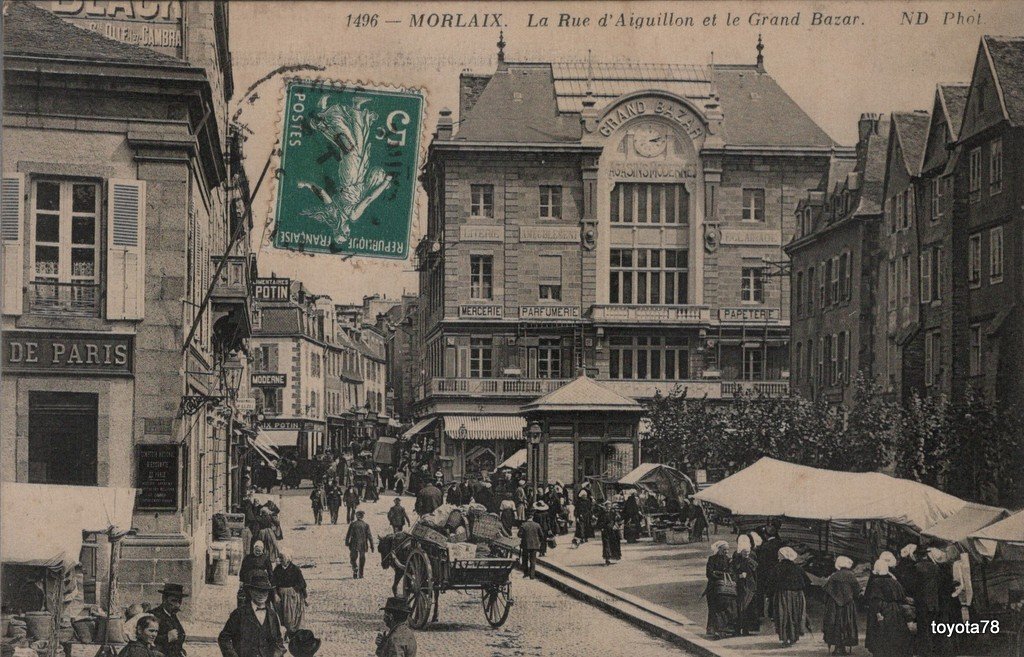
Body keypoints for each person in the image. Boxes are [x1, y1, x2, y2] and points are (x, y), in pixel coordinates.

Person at [218, 571, 286, 657]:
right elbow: (224, 638)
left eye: (264, 591)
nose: (261, 595)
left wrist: (277, 653)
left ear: (268, 593)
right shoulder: (239, 614)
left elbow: (278, 640)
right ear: (250, 591)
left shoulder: (272, 615)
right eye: (257, 591)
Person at [864, 557, 913, 657]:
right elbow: (902, 597)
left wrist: (877, 613)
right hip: (896, 611)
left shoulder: (876, 582)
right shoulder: (895, 582)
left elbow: (875, 600)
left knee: (880, 635)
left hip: (882, 610)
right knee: (894, 634)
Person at [823, 556, 861, 655]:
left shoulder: (834, 576)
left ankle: (837, 647)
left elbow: (827, 591)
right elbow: (857, 591)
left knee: (835, 624)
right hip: (848, 605)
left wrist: (827, 603)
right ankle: (843, 646)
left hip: (834, 605)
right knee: (847, 624)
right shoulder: (851, 576)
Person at [773, 547, 809, 646]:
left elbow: (771, 582)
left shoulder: (778, 567)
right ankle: (794, 637)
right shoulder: (798, 568)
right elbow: (806, 582)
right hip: (797, 595)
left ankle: (785, 638)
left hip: (783, 594)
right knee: (795, 615)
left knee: (784, 616)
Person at [913, 547, 943, 657]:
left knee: (923, 628)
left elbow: (914, 586)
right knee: (932, 627)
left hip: (922, 603)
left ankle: (925, 652)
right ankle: (933, 650)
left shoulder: (917, 567)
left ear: (918, 556)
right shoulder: (935, 568)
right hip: (934, 602)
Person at [705, 540, 736, 639]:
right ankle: (713, 629)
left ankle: (721, 630)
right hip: (712, 588)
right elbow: (709, 573)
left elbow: (731, 573)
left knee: (724, 609)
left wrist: (717, 573)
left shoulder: (729, 560)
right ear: (719, 550)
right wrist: (722, 574)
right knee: (713, 609)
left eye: (727, 550)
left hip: (724, 589)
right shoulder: (712, 559)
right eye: (724, 550)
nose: (726, 552)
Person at [272, 551, 307, 638]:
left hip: (291, 597)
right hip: (280, 596)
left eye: (282, 558)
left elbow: (302, 583)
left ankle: (292, 634)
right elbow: (273, 583)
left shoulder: (295, 569)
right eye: (280, 558)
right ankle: (284, 634)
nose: (280, 560)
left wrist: (294, 590)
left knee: (290, 618)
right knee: (280, 616)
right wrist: (275, 594)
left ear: (288, 559)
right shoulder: (277, 569)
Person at [731, 535, 760, 635]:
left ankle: (746, 629)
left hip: (749, 585)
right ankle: (739, 628)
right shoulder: (738, 556)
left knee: (747, 606)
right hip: (742, 584)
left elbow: (755, 570)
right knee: (740, 606)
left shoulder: (750, 555)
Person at [151, 584, 188, 657]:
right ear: (164, 599)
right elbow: (144, 638)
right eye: (174, 601)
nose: (177, 605)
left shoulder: (172, 615)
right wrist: (166, 637)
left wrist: (181, 651)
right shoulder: (153, 615)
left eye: (180, 601)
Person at [757, 521, 783, 618]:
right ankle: (773, 613)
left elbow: (762, 561)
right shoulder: (781, 544)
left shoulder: (764, 547)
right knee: (775, 593)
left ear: (765, 535)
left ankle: (762, 613)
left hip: (766, 572)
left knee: (763, 592)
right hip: (778, 571)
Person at [346, 509, 375, 579]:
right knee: (362, 559)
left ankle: (355, 567)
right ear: (362, 517)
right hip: (363, 544)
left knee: (353, 558)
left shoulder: (353, 524)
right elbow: (369, 536)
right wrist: (372, 546)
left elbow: (348, 535)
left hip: (353, 544)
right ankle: (361, 574)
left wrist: (347, 542)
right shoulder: (366, 525)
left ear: (356, 516)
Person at [518, 512, 543, 579]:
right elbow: (541, 535)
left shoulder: (523, 525)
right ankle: (532, 575)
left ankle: (526, 574)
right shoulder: (537, 525)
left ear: (526, 517)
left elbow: (519, 535)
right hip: (535, 545)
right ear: (532, 517)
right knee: (533, 560)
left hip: (525, 545)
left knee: (525, 560)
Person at [597, 501, 622, 566]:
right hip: (605, 531)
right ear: (605, 506)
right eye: (607, 506)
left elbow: (618, 520)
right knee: (606, 545)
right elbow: (598, 523)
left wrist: (616, 524)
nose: (608, 508)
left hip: (613, 531)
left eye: (609, 506)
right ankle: (607, 559)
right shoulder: (602, 514)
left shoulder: (613, 513)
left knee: (613, 544)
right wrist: (602, 527)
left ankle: (613, 557)